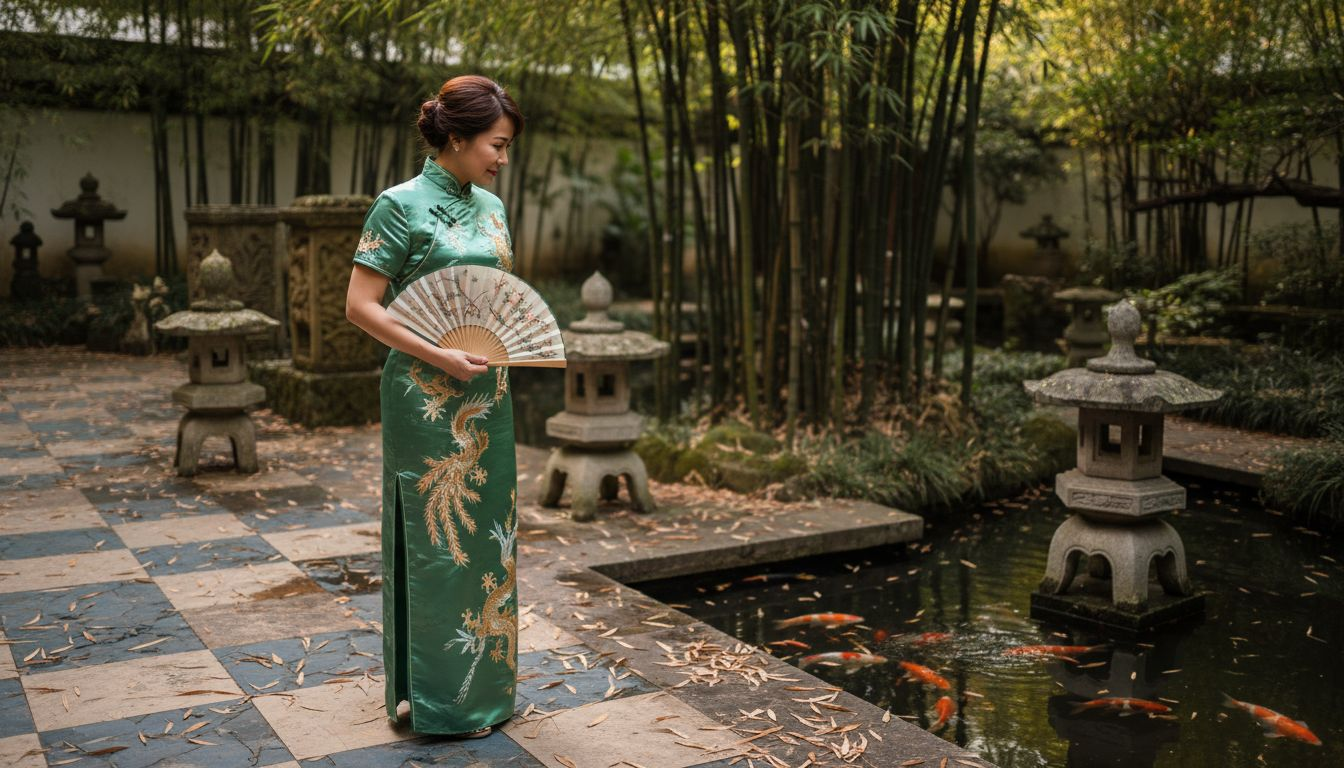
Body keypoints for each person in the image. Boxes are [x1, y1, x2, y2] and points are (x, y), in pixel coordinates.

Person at [345, 75, 523, 739]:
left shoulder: (494, 207)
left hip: (492, 394)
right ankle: (429, 699)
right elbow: (360, 307)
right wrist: (440, 356)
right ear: (455, 138)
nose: (501, 159)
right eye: (495, 145)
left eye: (505, 148)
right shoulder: (398, 206)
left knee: (489, 545)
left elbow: (499, 297)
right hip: (425, 398)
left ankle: (486, 693)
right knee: (433, 544)